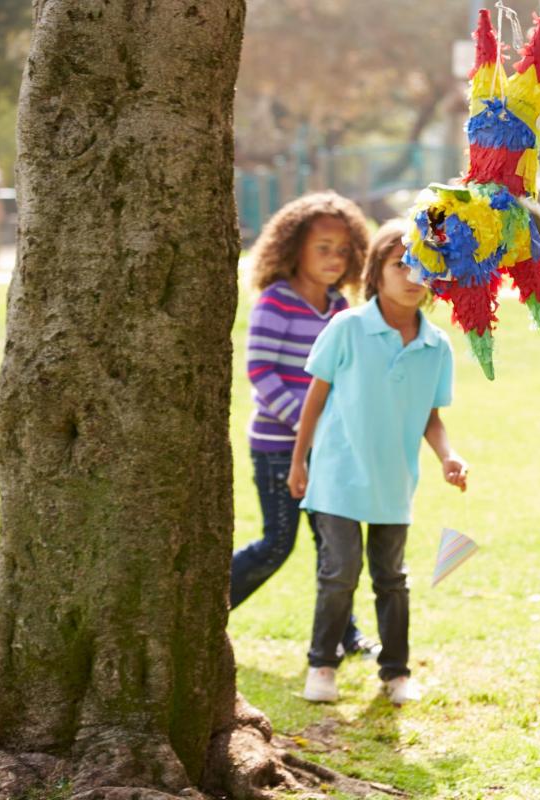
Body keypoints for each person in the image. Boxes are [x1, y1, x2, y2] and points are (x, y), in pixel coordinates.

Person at [288, 219, 468, 705]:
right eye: (401, 264)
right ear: (376, 271)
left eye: (426, 267)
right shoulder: (347, 327)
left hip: (394, 480)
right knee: (339, 572)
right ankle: (322, 665)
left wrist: (448, 457)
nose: (413, 276)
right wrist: (298, 462)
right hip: (337, 475)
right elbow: (315, 398)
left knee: (392, 579)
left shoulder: (437, 346)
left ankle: (396, 672)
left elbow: (432, 417)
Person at [231, 191, 376, 656]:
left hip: (330, 451)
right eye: (323, 247)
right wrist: (308, 423)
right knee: (277, 544)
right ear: (293, 248)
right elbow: (260, 372)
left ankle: (343, 634)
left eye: (343, 250)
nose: (334, 258)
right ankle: (204, 611)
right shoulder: (276, 302)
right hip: (278, 447)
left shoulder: (338, 309)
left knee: (335, 547)